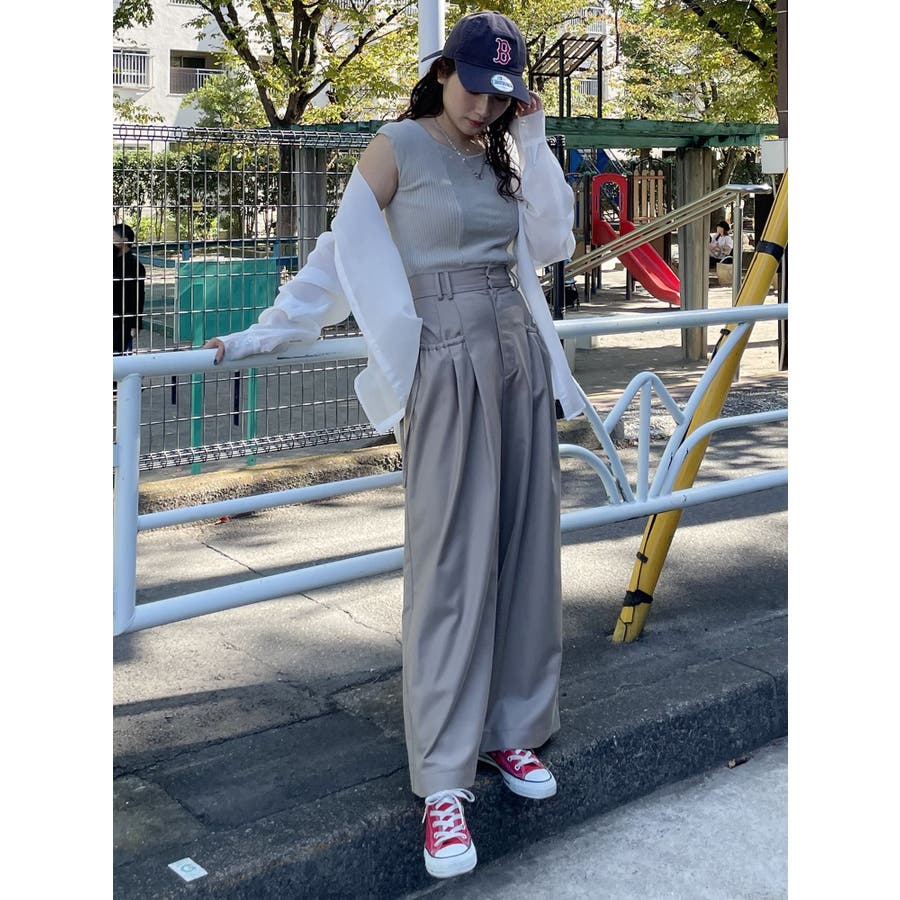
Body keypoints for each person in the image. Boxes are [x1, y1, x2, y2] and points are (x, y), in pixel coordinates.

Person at [202, 10, 586, 881]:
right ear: (442, 71)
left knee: (527, 547)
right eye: (474, 89)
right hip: (443, 360)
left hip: (517, 351)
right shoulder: (397, 146)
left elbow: (553, 242)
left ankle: (513, 729)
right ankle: (444, 781)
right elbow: (339, 254)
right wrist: (268, 331)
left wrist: (533, 138)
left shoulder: (507, 150)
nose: (484, 108)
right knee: (450, 562)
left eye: (502, 96)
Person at [113, 223, 146, 354]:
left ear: (125, 240)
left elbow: (138, 296)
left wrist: (136, 324)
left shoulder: (135, 265)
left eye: (113, 237)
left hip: (123, 320)